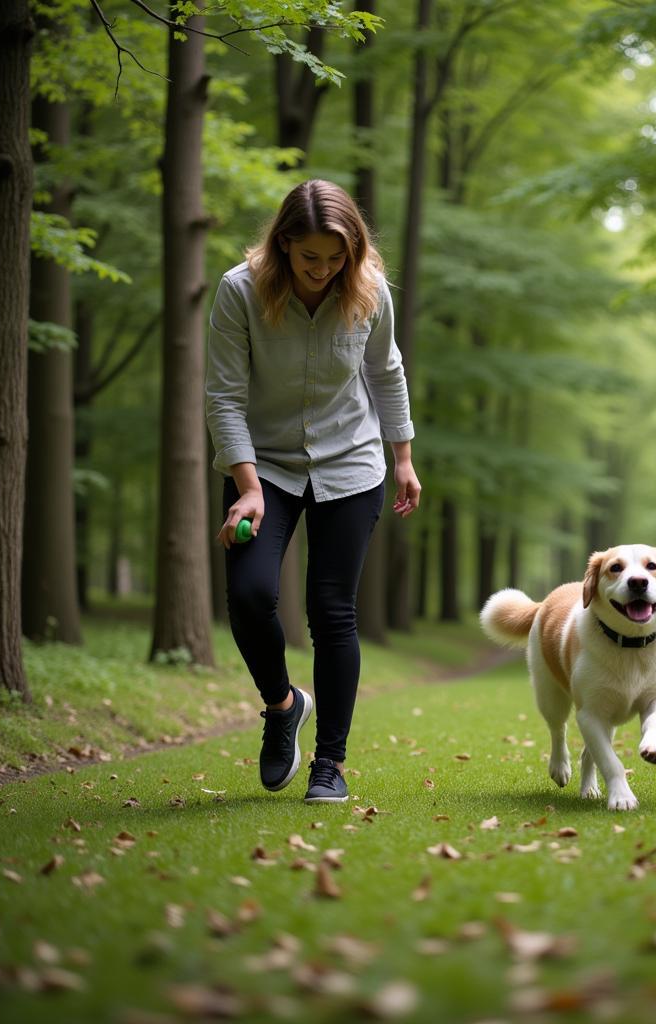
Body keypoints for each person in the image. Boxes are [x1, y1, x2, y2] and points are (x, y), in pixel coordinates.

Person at [205, 179, 420, 804]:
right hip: (264, 465)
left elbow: (386, 372)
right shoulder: (238, 291)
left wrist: (402, 457)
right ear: (283, 247)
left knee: (332, 613)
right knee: (248, 594)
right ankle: (282, 705)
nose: (323, 271)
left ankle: (330, 763)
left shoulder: (368, 289)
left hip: (351, 462)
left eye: (335, 259)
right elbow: (223, 396)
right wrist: (246, 488)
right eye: (309, 259)